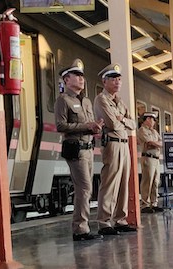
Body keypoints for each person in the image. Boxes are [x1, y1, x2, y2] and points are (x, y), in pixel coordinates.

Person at [54, 61, 104, 241]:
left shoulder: (87, 101)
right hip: (76, 150)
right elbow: (60, 125)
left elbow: (89, 123)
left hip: (89, 148)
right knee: (84, 188)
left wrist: (95, 127)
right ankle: (80, 229)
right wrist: (87, 125)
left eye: (82, 76)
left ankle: (83, 226)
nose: (82, 79)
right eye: (77, 76)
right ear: (67, 79)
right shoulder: (63, 100)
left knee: (86, 189)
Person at [93, 65, 137, 235]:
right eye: (113, 79)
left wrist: (123, 120)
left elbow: (133, 124)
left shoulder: (120, 102)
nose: (117, 82)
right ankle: (104, 222)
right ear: (104, 81)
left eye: (119, 79)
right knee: (110, 183)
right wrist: (123, 120)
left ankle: (120, 219)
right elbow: (111, 124)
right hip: (111, 143)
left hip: (124, 143)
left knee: (123, 183)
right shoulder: (101, 100)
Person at [138, 112, 164, 213]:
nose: (154, 122)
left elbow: (161, 142)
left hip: (156, 159)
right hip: (148, 158)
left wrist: (156, 144)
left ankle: (154, 203)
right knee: (147, 181)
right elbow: (149, 142)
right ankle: (145, 204)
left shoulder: (154, 132)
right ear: (148, 119)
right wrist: (157, 144)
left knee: (155, 182)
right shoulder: (142, 130)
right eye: (153, 120)